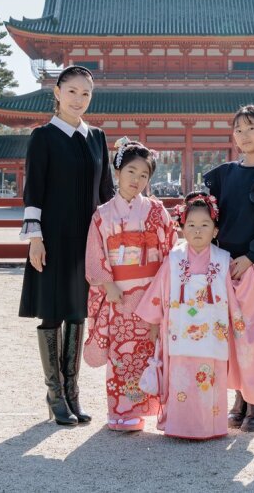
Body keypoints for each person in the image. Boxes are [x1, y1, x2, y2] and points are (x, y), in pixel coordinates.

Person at [19, 65, 115, 426]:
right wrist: (35, 238)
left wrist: (113, 238)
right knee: (53, 312)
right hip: (53, 238)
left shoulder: (97, 138)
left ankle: (73, 392)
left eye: (85, 93)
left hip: (89, 241)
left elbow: (106, 193)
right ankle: (55, 394)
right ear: (57, 93)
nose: (79, 99)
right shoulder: (43, 137)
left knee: (78, 312)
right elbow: (34, 190)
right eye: (72, 91)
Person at [135, 192, 254, 440]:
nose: (197, 231)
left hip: (212, 338)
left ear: (215, 231)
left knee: (208, 382)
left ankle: (210, 427)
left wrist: (251, 275)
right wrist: (154, 323)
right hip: (179, 335)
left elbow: (238, 290)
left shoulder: (223, 260)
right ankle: (179, 426)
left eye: (205, 225)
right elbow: (159, 293)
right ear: (182, 228)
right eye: (191, 225)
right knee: (181, 381)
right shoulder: (173, 260)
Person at [83, 140, 177, 432]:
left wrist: (162, 291)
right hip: (119, 294)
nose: (137, 180)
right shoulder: (102, 214)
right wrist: (107, 283)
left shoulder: (157, 210)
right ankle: (122, 410)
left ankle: (155, 409)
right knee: (122, 352)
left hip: (151, 292)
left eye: (144, 175)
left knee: (153, 351)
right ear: (117, 171)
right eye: (131, 172)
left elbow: (170, 251)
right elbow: (95, 253)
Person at [203, 104, 254, 432]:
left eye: (251, 128)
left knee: (253, 333)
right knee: (228, 333)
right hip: (224, 264)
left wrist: (252, 257)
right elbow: (210, 218)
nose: (243, 135)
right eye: (238, 129)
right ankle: (239, 397)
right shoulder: (224, 174)